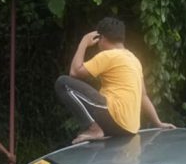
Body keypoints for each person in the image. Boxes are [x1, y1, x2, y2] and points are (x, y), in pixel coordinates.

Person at [55, 16, 175, 144]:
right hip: (130, 128)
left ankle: (94, 129)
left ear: (101, 38)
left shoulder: (108, 55)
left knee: (63, 83)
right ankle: (96, 128)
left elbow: (74, 72)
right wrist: (158, 122)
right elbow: (143, 96)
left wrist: (83, 42)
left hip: (114, 119)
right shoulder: (134, 59)